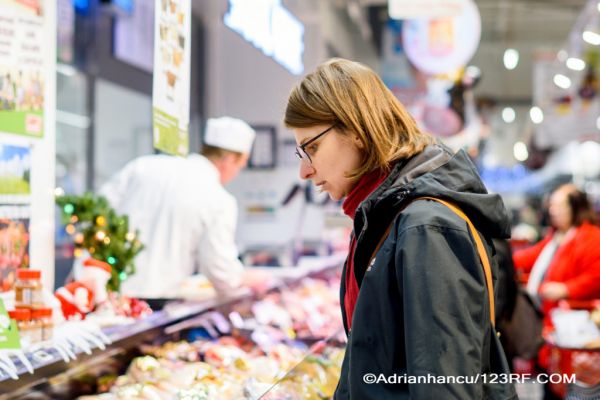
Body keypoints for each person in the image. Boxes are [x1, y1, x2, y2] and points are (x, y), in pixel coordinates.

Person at [285, 58, 517, 399]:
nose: (305, 171)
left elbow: (443, 387)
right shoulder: (382, 215)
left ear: (356, 131)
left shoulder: (426, 227)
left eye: (313, 148)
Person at [100, 117, 259, 298]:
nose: (237, 171)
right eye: (241, 164)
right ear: (229, 159)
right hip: (159, 302)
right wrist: (251, 281)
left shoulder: (142, 166)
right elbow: (220, 270)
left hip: (106, 293)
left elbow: (98, 213)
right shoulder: (219, 199)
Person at [512, 184, 600, 372]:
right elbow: (530, 256)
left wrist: (567, 289)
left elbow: (595, 276)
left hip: (574, 328)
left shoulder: (591, 237)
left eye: (558, 206)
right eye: (551, 206)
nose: (552, 211)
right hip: (550, 324)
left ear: (575, 208)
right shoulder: (557, 235)